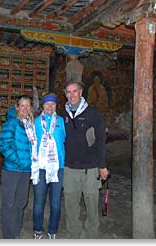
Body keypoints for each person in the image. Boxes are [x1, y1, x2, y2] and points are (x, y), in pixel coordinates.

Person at [62, 81, 109, 239]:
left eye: (75, 91)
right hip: (69, 168)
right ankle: (73, 233)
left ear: (81, 92)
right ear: (65, 94)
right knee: (70, 205)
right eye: (68, 92)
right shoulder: (62, 115)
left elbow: (101, 141)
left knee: (91, 204)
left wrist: (102, 166)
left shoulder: (93, 114)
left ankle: (91, 235)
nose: (72, 95)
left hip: (90, 168)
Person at [0, 95, 37, 239]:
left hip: (26, 170)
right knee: (9, 202)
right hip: (12, 170)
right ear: (17, 107)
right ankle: (8, 236)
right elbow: (4, 146)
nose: (25, 108)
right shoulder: (11, 123)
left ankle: (16, 230)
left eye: (28, 106)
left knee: (22, 201)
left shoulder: (29, 124)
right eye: (22, 105)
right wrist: (19, 161)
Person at [31, 93, 66, 239]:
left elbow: (63, 138)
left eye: (53, 104)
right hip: (41, 167)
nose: (50, 106)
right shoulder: (36, 122)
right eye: (47, 104)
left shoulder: (61, 121)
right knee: (39, 201)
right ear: (43, 106)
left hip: (57, 167)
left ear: (56, 106)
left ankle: (52, 230)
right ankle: (37, 229)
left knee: (56, 202)